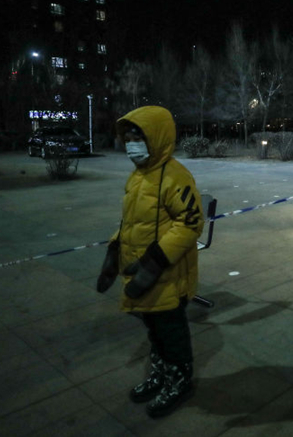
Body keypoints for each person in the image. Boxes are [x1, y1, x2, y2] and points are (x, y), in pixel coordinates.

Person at [96, 106, 205, 418]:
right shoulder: (138, 176)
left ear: (157, 138)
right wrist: (114, 250)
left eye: (138, 138)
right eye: (128, 139)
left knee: (172, 333)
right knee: (154, 331)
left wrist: (156, 260)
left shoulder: (175, 176)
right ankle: (161, 373)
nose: (132, 145)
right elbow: (131, 222)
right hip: (140, 273)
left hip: (168, 274)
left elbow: (190, 223)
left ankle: (180, 381)